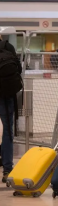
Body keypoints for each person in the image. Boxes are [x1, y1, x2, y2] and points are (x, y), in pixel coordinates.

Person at [0, 35, 22, 183]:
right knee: (7, 130)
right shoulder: (7, 47)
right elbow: (18, 69)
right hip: (6, 94)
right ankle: (7, 169)